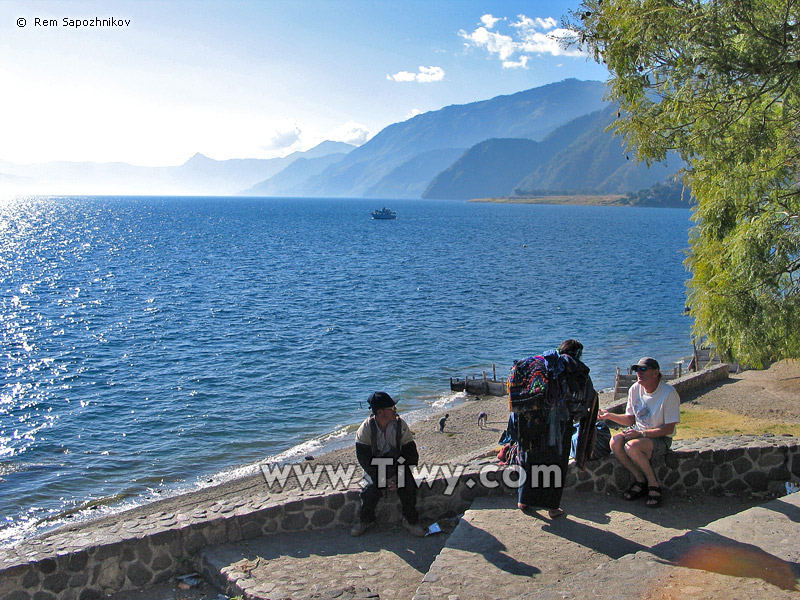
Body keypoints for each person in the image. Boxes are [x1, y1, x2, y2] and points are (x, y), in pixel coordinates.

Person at [506, 339, 597, 519]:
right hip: (558, 425)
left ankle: (523, 500)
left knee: (529, 459)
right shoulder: (575, 368)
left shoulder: (538, 364)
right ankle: (552, 508)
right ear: (577, 353)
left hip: (529, 420)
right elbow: (583, 400)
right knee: (555, 464)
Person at [598, 357, 680, 508]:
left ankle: (653, 484)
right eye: (637, 370)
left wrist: (641, 434)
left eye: (643, 369)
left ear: (656, 373)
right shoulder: (635, 389)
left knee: (632, 446)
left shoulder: (668, 393)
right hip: (638, 432)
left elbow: (669, 429)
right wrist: (609, 415)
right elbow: (630, 420)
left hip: (659, 437)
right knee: (615, 442)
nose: (638, 373)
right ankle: (639, 479)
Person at [351, 391, 426, 537]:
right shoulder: (365, 430)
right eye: (392, 409)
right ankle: (366, 520)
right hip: (376, 466)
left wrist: (398, 476)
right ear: (380, 412)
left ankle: (410, 521)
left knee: (409, 486)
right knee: (369, 490)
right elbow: (364, 459)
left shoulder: (400, 425)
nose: (395, 411)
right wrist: (383, 479)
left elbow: (410, 454)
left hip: (398, 462)